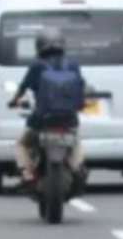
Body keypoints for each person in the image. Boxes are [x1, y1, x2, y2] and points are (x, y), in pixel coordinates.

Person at [9, 27, 87, 191]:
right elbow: (81, 90)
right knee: (77, 142)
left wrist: (14, 101)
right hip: (68, 119)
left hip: (41, 120)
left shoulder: (36, 67)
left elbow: (22, 89)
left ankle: (27, 172)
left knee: (21, 144)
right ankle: (76, 167)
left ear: (39, 46)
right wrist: (81, 104)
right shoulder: (73, 66)